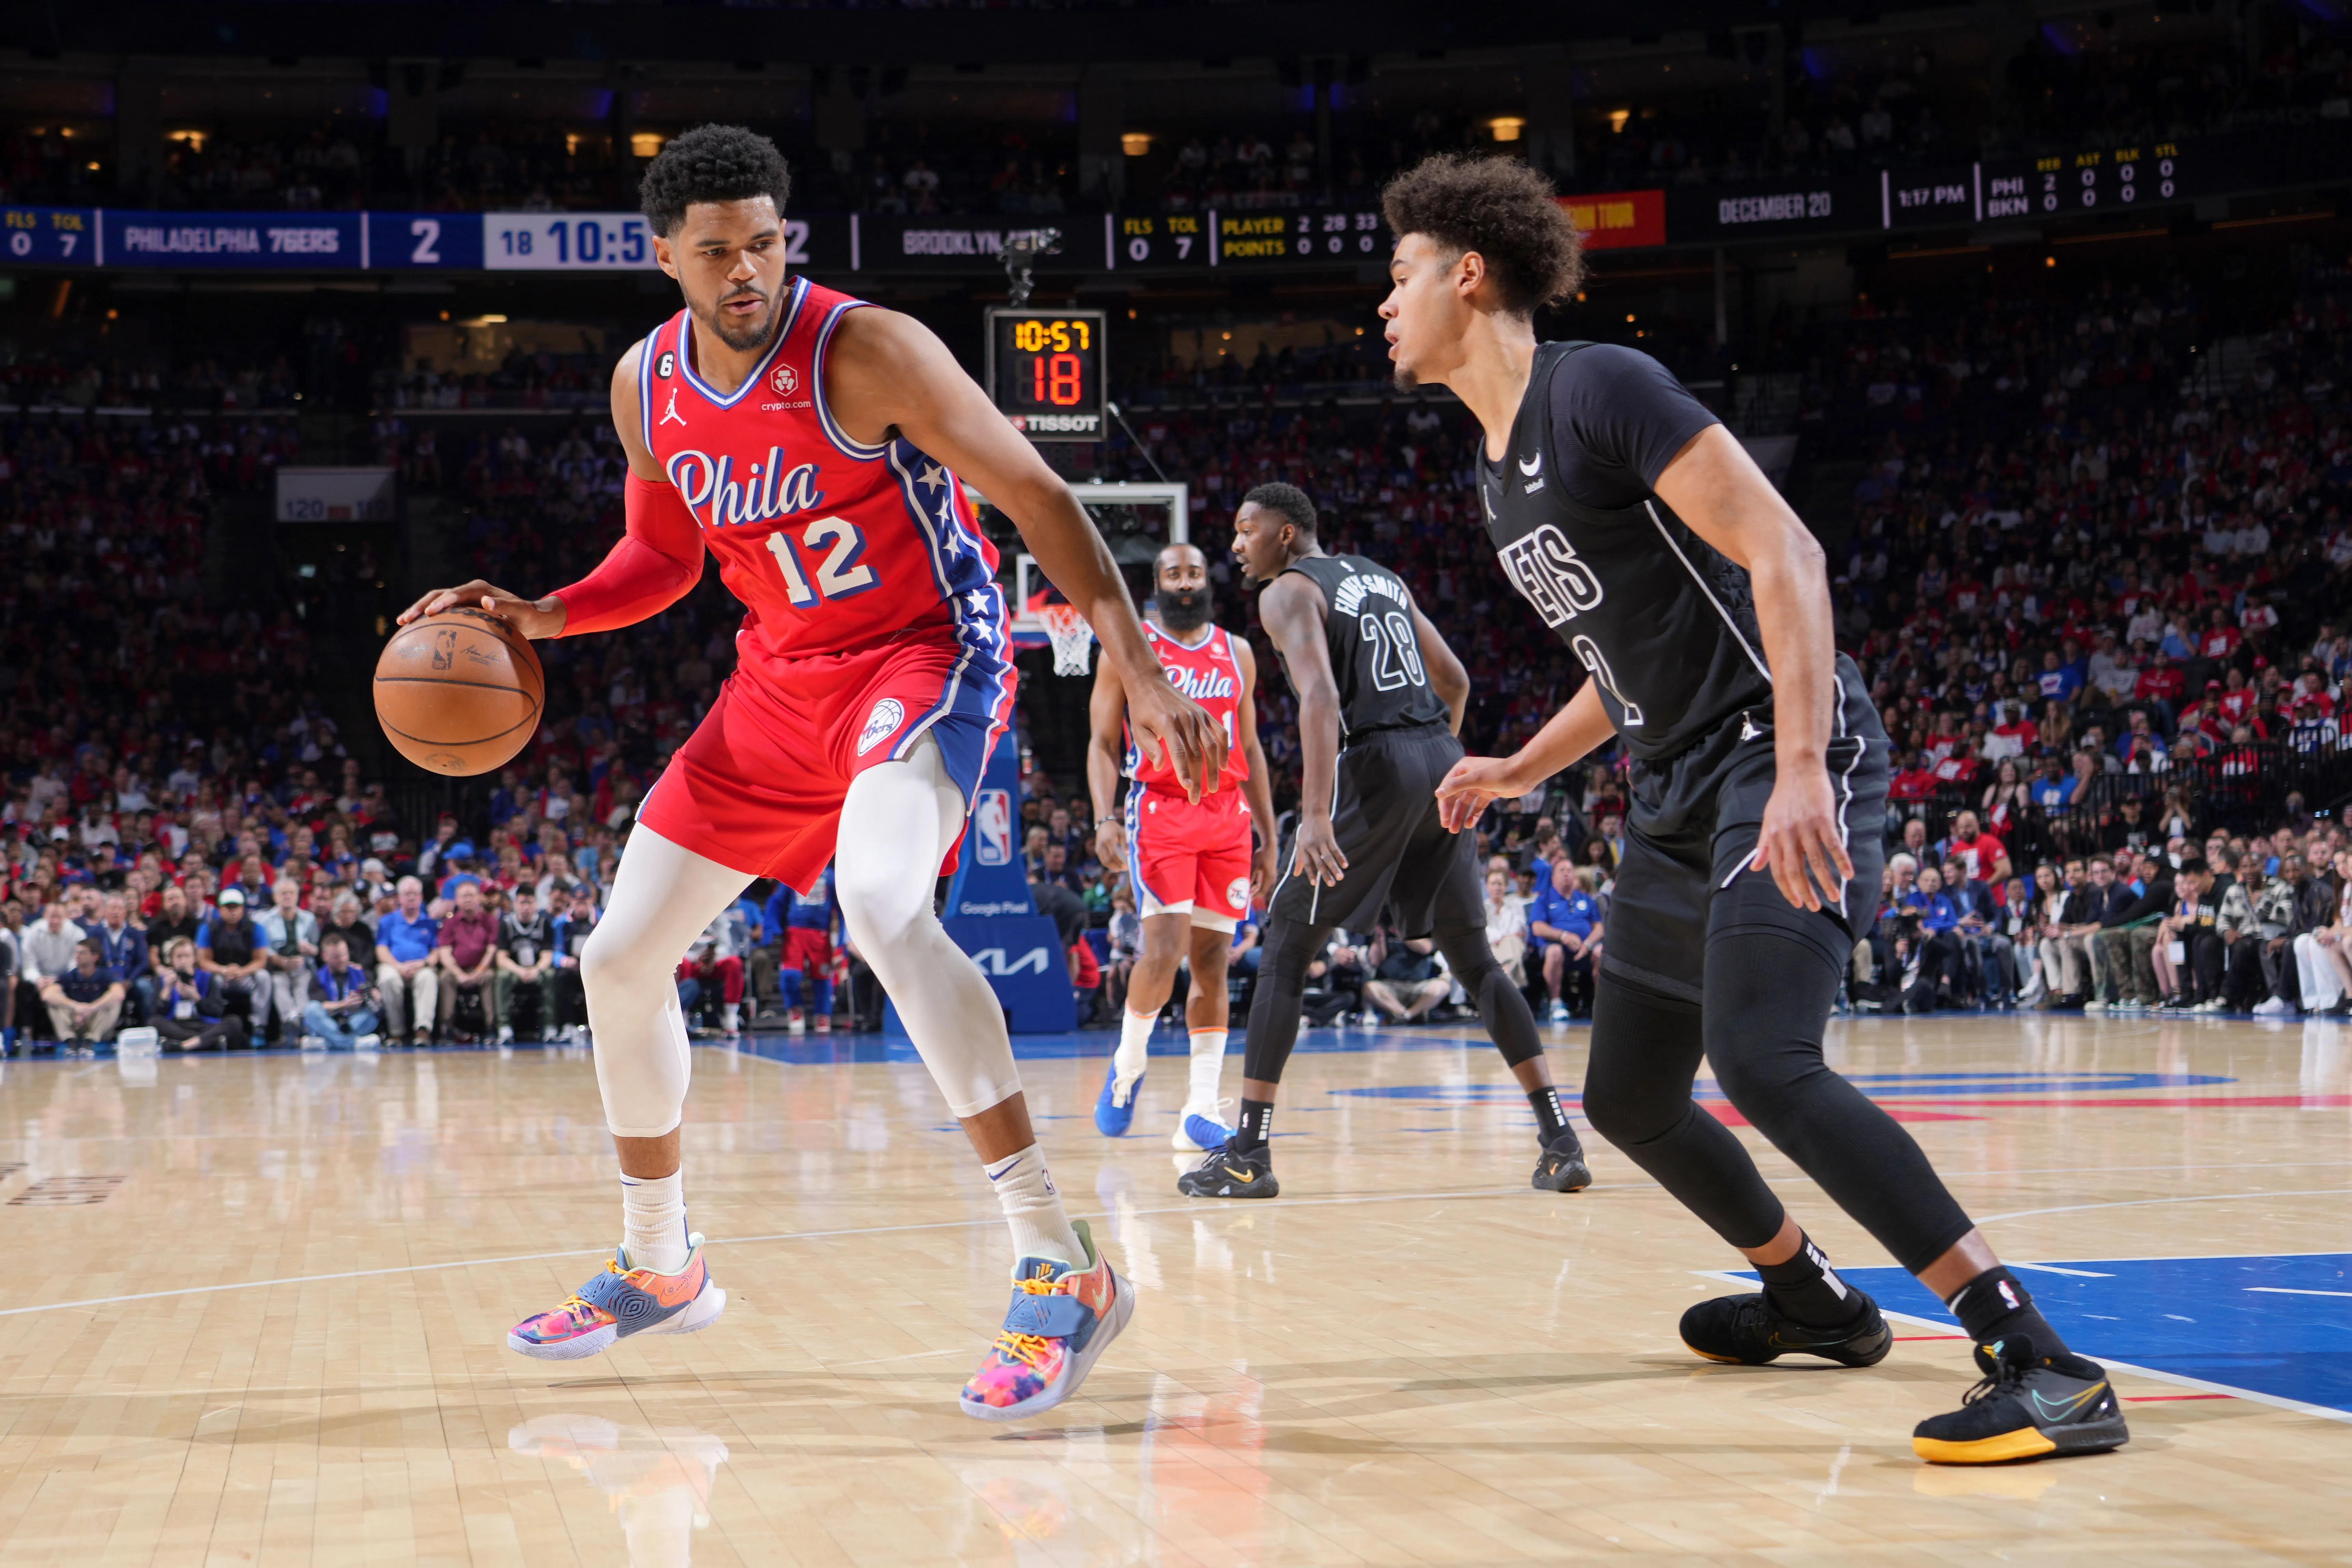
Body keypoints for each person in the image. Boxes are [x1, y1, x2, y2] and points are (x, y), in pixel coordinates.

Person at [399, 124, 1221, 1419]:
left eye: (764, 243)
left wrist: (1140, 660)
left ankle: (1059, 1263)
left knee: (881, 903)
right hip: (779, 683)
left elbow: (1036, 494)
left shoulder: (866, 349)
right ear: (665, 256)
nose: (745, 270)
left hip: (921, 654)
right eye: (715, 251)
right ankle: (660, 1263)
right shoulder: (646, 383)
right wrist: (546, 613)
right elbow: (663, 558)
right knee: (617, 959)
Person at [1385, 151, 2124, 1464]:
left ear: (1468, 274)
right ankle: (1811, 1299)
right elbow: (1623, 662)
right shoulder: (1493, 473)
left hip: (1774, 748)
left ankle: (2041, 1361)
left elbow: (1786, 548)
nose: (1383, 305)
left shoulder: (1596, 387)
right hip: (1674, 784)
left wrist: (1799, 767)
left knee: (1763, 1058)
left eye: (1399, 276)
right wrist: (1515, 767)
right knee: (1628, 1097)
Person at [1180, 482, 1591, 1201]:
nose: (1237, 545)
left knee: (1286, 947)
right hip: (1439, 755)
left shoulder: (1286, 592)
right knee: (1475, 960)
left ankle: (1247, 1154)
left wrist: (1315, 813)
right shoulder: (1380, 576)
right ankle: (1560, 1139)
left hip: (1378, 764)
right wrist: (1438, 765)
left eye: (1247, 530)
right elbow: (1454, 679)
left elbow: (1320, 697)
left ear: (1285, 533)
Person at [1087, 543, 1278, 1150]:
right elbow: (1102, 743)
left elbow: (1251, 747)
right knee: (1164, 950)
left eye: (1194, 572)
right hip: (1161, 808)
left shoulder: (1237, 653)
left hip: (1227, 816)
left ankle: (1199, 1105)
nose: (1186, 582)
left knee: (1213, 960)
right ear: (1158, 584)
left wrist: (1269, 836)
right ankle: (1128, 1065)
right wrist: (1105, 817)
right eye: (1174, 573)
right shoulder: (1129, 651)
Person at [767, 863, 841, 1033]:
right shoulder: (795, 871)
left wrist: (843, 940)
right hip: (795, 932)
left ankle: (823, 1014)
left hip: (821, 935)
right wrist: (772, 926)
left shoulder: (831, 877)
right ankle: (795, 1009)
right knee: (790, 975)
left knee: (823, 977)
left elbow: (841, 907)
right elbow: (778, 901)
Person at [1528, 859, 1603, 1022]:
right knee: (1555, 952)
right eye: (1562, 871)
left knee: (1601, 952)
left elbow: (1599, 927)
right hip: (1556, 947)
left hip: (1585, 949)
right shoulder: (1545, 899)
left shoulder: (1586, 899)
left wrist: (1588, 944)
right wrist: (1563, 936)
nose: (1567, 874)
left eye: (1570, 870)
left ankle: (1601, 1004)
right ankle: (1556, 1004)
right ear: (1553, 877)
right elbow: (1538, 928)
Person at [374, 876, 441, 1045]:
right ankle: (396, 1032)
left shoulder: (430, 923)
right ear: (399, 898)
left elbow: (436, 952)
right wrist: (398, 967)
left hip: (422, 966)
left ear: (421, 897)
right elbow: (382, 950)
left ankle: (423, 1030)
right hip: (395, 966)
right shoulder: (387, 921)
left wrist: (424, 964)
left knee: (428, 977)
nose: (411, 897)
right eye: (407, 894)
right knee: (388, 978)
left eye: (415, 894)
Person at [196, 888, 272, 1037]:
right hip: (220, 976)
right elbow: (203, 961)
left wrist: (243, 971)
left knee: (264, 977)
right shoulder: (208, 929)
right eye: (228, 908)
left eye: (236, 908)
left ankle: (260, 1025)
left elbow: (261, 961)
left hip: (246, 976)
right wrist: (224, 970)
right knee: (209, 978)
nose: (232, 912)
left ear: (242, 909)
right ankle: (212, 1023)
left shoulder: (256, 928)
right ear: (220, 909)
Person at [153, 936, 246, 1052]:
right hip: (177, 1025)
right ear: (172, 959)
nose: (183, 961)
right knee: (154, 1022)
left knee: (234, 1022)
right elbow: (157, 1013)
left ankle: (184, 1045)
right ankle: (206, 1042)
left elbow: (218, 1011)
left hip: (203, 1025)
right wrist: (167, 990)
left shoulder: (207, 978)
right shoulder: (164, 980)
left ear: (194, 958)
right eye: (179, 957)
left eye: (187, 956)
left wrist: (196, 998)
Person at [434, 880, 501, 1041]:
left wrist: (479, 971)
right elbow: (445, 953)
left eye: (472, 896)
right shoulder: (450, 923)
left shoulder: (490, 921)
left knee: (490, 977)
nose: (468, 899)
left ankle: (491, 1027)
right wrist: (459, 974)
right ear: (457, 900)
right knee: (445, 978)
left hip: (482, 969)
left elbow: (492, 950)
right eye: (464, 896)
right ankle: (447, 1027)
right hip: (457, 970)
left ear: (479, 898)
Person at [257, 877, 320, 1045]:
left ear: (297, 896)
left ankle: (301, 1019)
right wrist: (282, 962)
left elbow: (317, 948)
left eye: (291, 893)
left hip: (302, 967)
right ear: (275, 897)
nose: (288, 897)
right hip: (277, 968)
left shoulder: (309, 919)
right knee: (279, 985)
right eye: (283, 893)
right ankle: (291, 1018)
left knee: (303, 985)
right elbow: (263, 948)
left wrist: (310, 949)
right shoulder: (264, 920)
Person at [496, 886, 558, 1042]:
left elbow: (547, 956)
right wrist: (519, 971)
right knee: (502, 976)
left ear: (536, 904)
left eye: (530, 903)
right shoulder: (507, 924)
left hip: (536, 970)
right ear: (515, 904)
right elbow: (502, 958)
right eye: (522, 903)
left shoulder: (544, 923)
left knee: (550, 975)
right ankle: (504, 1027)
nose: (526, 907)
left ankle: (550, 1026)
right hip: (516, 971)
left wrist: (536, 970)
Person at [304, 932, 383, 1050]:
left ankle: (326, 1043)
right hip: (330, 1022)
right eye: (336, 957)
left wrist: (375, 997)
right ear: (325, 957)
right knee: (312, 1009)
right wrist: (344, 1005)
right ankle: (354, 1043)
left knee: (373, 1012)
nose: (342, 960)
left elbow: (375, 1006)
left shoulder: (361, 974)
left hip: (354, 1022)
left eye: (345, 955)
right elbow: (322, 1006)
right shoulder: (318, 978)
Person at [42, 937, 124, 1047]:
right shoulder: (70, 976)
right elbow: (48, 995)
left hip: (97, 1020)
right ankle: (69, 1039)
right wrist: (76, 1007)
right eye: (76, 953)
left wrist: (92, 1008)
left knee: (114, 1002)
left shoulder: (105, 975)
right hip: (76, 1019)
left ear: (95, 957)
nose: (78, 956)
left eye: (83, 953)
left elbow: (119, 994)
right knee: (54, 1002)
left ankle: (91, 1040)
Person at [552, 883, 599, 1036]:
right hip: (571, 966)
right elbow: (556, 952)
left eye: (584, 903)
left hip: (594, 966)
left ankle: (596, 1025)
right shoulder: (561, 922)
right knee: (562, 977)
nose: (581, 908)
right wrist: (566, 961)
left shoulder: (601, 920)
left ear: (591, 901)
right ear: (571, 902)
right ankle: (568, 1024)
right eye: (578, 903)